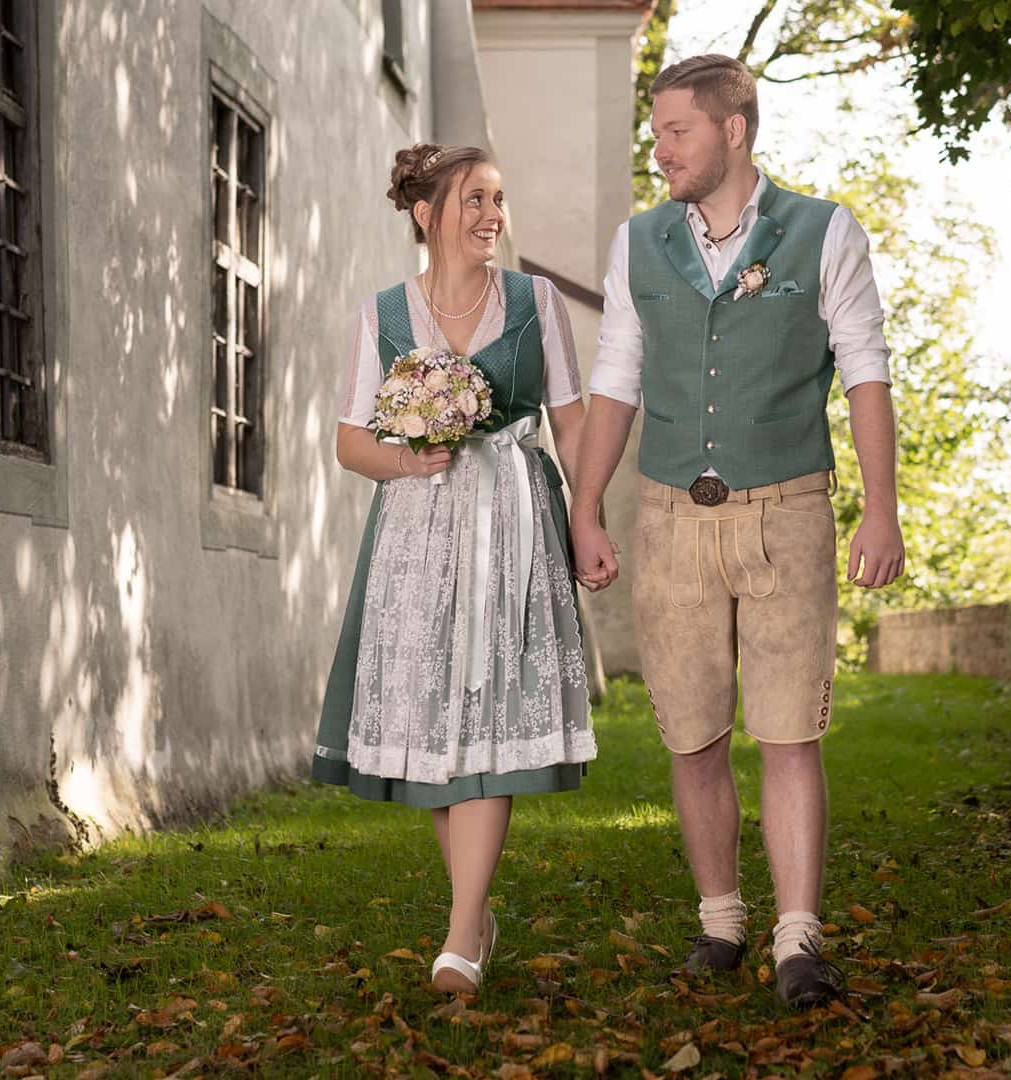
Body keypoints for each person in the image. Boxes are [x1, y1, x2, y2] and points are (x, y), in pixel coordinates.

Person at [569, 54, 906, 1008]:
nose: (661, 149)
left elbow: (866, 372)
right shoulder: (638, 243)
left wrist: (880, 507)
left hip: (788, 510)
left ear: (734, 130)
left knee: (792, 731)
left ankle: (798, 939)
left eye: (677, 130)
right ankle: (721, 919)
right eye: (657, 132)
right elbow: (616, 380)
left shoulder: (824, 231)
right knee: (692, 737)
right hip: (672, 516)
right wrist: (586, 507)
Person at [311, 143, 599, 995]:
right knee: (434, 724)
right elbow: (349, 440)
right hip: (417, 533)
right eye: (474, 199)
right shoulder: (383, 315)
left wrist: (588, 519)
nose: (491, 216)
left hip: (513, 519)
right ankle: (474, 915)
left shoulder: (536, 301)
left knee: (490, 716)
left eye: (499, 199)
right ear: (427, 215)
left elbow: (573, 422)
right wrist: (410, 460)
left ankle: (461, 933)